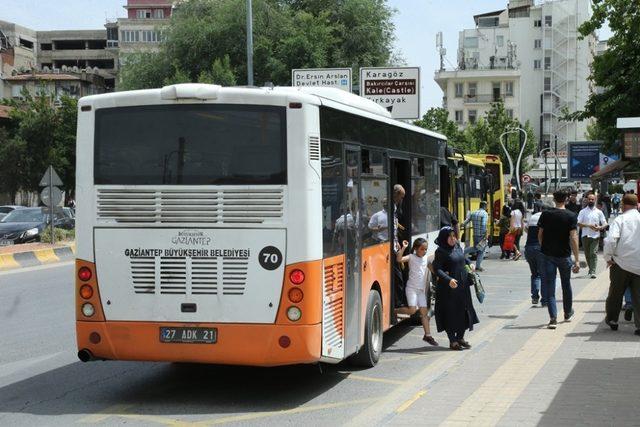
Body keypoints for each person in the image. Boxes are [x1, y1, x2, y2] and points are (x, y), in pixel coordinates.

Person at [538, 190, 581, 329]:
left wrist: (543, 247)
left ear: (554, 200)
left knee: (550, 286)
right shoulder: (571, 216)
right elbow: (574, 238)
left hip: (548, 255)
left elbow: (540, 234)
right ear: (567, 199)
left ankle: (553, 318)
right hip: (564, 255)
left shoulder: (546, 214)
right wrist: (577, 259)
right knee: (566, 284)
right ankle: (567, 312)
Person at [432, 226, 479, 351]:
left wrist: (470, 263)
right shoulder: (441, 251)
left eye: (454, 236)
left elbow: (463, 258)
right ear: (444, 238)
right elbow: (437, 269)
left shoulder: (457, 246)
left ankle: (460, 337)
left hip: (462, 286)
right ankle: (452, 340)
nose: (453, 239)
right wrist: (449, 280)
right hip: (449, 289)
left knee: (464, 310)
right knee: (451, 314)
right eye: (450, 236)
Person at [602, 193, 640, 335]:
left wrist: (608, 257)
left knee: (615, 293)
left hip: (621, 263)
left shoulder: (620, 219)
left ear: (623, 204)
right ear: (637, 205)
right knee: (639, 296)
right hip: (639, 265)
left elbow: (611, 240)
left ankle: (612, 319)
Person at [395, 238, 439, 346]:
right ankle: (393, 311)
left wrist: (441, 276)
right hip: (411, 289)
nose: (424, 251)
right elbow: (399, 259)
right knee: (412, 310)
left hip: (421, 291)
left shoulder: (426, 259)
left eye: (426, 249)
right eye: (422, 249)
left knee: (424, 312)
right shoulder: (411, 257)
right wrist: (404, 247)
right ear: (416, 248)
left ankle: (427, 335)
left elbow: (433, 270)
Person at [525, 200, 552, 306]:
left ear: (540, 209)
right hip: (540, 249)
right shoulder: (548, 218)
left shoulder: (533, 217)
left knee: (535, 274)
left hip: (529, 248)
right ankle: (544, 300)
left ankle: (535, 296)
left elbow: (527, 229)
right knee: (544, 275)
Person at [577, 193, 607, 279]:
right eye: (589, 199)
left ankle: (593, 271)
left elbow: (605, 223)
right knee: (587, 254)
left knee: (593, 253)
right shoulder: (582, 211)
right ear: (586, 200)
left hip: (595, 236)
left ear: (595, 200)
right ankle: (591, 270)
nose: (590, 201)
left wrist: (600, 227)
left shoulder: (599, 212)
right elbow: (578, 223)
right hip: (585, 236)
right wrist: (588, 225)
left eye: (592, 199)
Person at [462, 201, 489, 272]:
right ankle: (478, 266)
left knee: (476, 248)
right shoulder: (485, 214)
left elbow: (467, 221)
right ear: (485, 206)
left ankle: (463, 252)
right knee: (481, 251)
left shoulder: (473, 213)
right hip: (481, 235)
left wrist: (462, 225)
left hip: (475, 235)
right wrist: (485, 235)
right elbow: (483, 225)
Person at [392, 184, 407, 308]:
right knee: (398, 277)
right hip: (391, 248)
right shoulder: (391, 207)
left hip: (395, 246)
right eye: (401, 197)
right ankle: (398, 302)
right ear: (395, 194)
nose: (401, 200)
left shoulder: (395, 207)